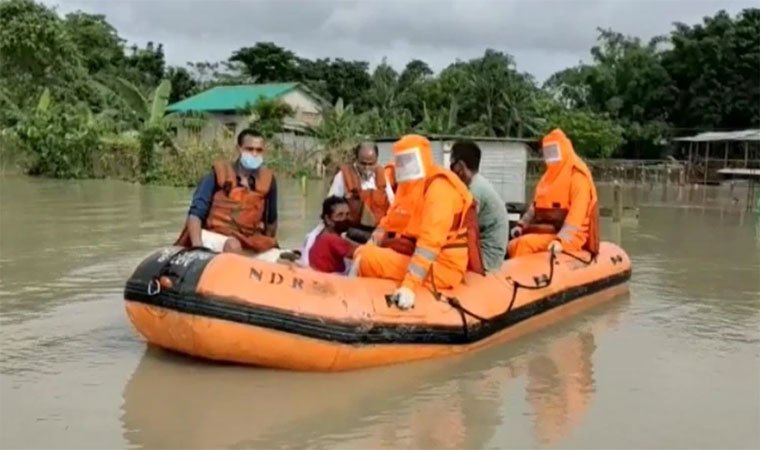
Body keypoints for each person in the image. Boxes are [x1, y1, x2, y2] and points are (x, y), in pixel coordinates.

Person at [354, 134, 484, 310]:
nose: (405, 166)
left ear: (422, 158)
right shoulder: (410, 187)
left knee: (367, 259)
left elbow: (429, 245)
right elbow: (391, 219)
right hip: (423, 256)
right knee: (365, 251)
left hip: (443, 266)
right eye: (402, 160)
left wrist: (409, 286)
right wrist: (374, 239)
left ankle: (355, 302)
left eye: (409, 160)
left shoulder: (439, 189)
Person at [174, 128, 279, 256]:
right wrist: (197, 248)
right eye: (249, 149)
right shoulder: (218, 174)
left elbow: (271, 222)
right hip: (214, 235)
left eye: (259, 150)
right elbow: (195, 214)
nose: (255, 154)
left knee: (285, 258)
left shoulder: (268, 180)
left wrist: (267, 246)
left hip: (248, 239)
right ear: (239, 149)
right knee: (233, 246)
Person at [508, 128, 599, 258]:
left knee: (523, 244)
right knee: (514, 244)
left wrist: (560, 241)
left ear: (564, 150)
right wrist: (521, 226)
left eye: (554, 151)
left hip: (571, 237)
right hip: (547, 232)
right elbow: (535, 207)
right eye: (548, 152)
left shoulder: (577, 177)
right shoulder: (547, 178)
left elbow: (576, 216)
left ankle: (518, 275)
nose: (551, 156)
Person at [449, 140, 509, 272]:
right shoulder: (477, 183)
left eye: (451, 165)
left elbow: (459, 224)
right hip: (487, 250)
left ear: (460, 166)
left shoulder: (474, 190)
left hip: (487, 258)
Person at [328, 142, 394, 230]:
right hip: (350, 230)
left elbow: (393, 205)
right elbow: (330, 207)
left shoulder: (382, 176)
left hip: (376, 231)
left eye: (371, 164)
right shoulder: (342, 176)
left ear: (377, 161)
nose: (367, 168)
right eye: (363, 164)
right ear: (356, 160)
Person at [307, 196, 359, 274]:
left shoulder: (322, 235)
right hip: (327, 281)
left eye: (347, 214)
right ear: (328, 219)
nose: (345, 218)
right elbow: (361, 254)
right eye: (340, 215)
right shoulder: (331, 239)